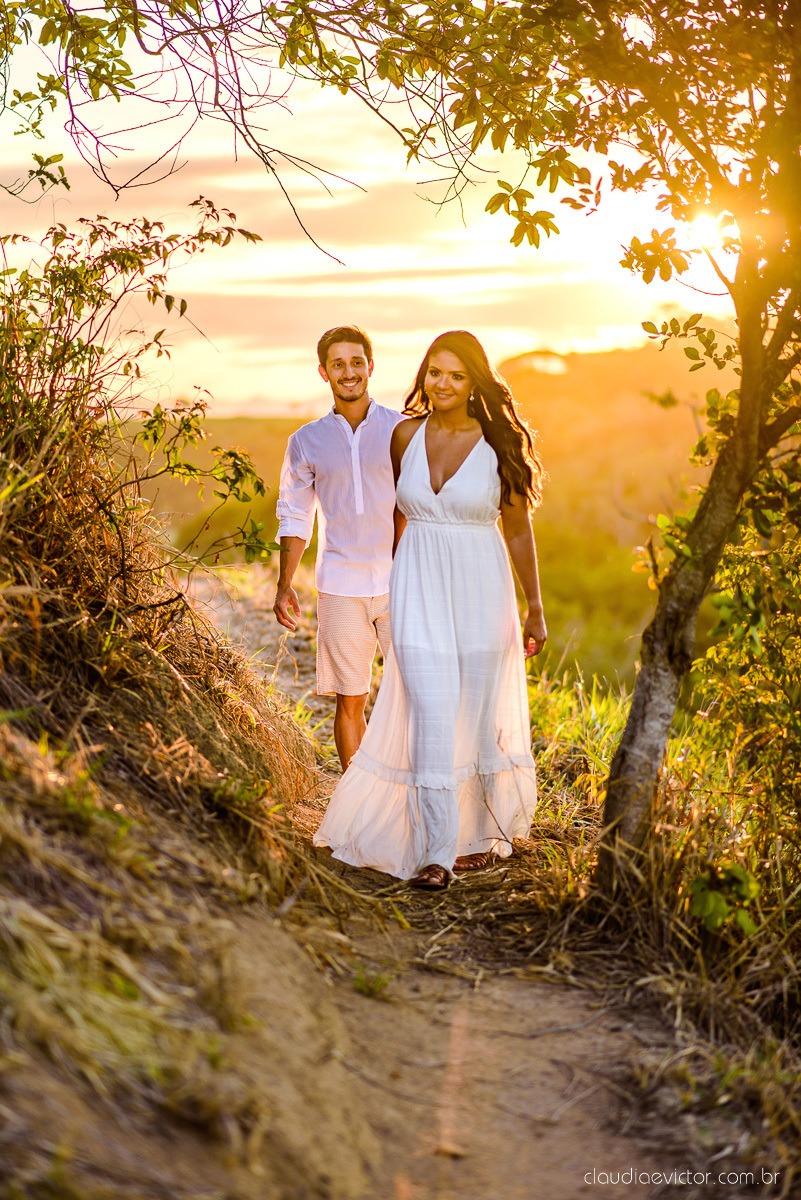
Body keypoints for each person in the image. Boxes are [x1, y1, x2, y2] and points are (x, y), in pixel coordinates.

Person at [313, 329, 546, 888]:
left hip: (481, 593)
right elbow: (395, 516)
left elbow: (517, 532)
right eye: (435, 372)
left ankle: (482, 835)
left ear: (474, 383)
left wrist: (535, 606)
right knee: (430, 711)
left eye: (456, 375)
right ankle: (437, 853)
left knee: (475, 714)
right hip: (416, 588)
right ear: (424, 375)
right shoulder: (403, 437)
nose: (442, 384)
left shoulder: (500, 446)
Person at [273, 326, 403, 770]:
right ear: (324, 372)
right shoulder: (306, 441)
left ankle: (414, 799)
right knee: (351, 700)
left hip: (402, 582)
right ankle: (358, 807)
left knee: (419, 695)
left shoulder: (402, 430)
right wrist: (285, 583)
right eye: (338, 364)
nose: (348, 372)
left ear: (370, 366)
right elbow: (294, 514)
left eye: (356, 362)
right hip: (339, 585)